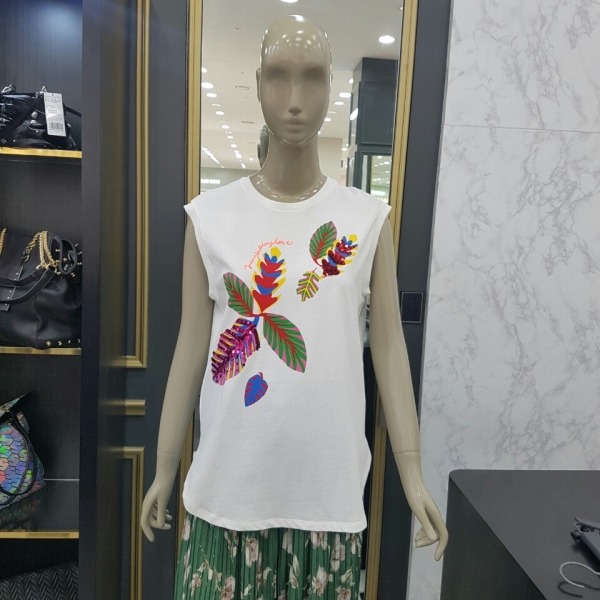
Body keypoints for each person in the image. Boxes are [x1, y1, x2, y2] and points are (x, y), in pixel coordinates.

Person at [141, 14, 448, 600]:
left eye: (312, 78)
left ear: (332, 87)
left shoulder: (365, 221)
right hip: (226, 496)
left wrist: (411, 472)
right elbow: (190, 346)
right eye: (279, 76)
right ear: (257, 84)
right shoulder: (209, 218)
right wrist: (163, 464)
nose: (295, 99)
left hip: (326, 504)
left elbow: (389, 349)